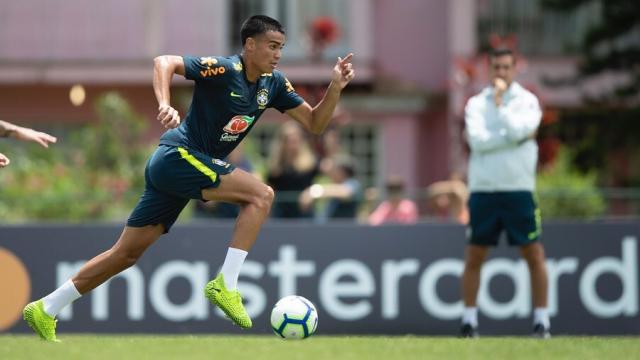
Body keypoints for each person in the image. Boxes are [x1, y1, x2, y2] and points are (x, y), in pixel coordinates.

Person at [23, 15, 355, 341]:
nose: (278, 54)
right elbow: (163, 62)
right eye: (271, 46)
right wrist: (165, 104)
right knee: (261, 195)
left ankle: (46, 307)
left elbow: (314, 124)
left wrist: (336, 88)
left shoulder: (275, 84)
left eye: (281, 47)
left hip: (182, 168)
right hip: (177, 157)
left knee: (125, 254)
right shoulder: (225, 69)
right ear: (250, 45)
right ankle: (226, 283)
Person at [459, 48, 548, 339]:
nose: (501, 72)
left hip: (519, 190)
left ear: (514, 69)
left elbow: (520, 130)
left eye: (506, 67)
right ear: (489, 69)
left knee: (533, 254)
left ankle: (541, 322)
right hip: (484, 190)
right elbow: (478, 141)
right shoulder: (475, 104)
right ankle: (469, 322)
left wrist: (501, 109)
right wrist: (511, 137)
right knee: (475, 255)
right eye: (496, 67)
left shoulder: (527, 102)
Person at [266, 120, 319, 218]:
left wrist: (311, 192)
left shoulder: (312, 163)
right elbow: (269, 190)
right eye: (288, 141)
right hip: (281, 214)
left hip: (305, 213)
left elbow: (324, 184)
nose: (292, 145)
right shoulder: (275, 167)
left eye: (295, 140)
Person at [299, 154, 361, 221]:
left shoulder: (352, 182)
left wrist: (314, 192)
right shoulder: (334, 185)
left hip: (345, 228)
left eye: (334, 169)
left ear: (342, 172)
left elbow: (346, 192)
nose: (331, 173)